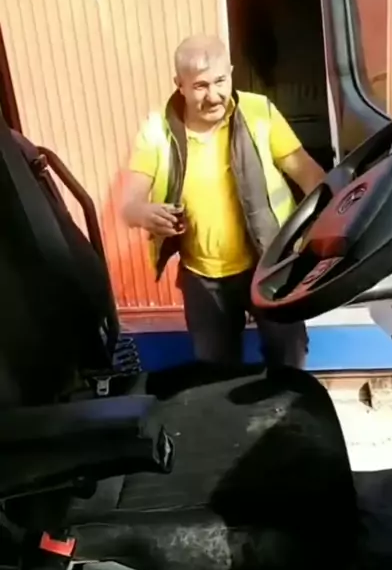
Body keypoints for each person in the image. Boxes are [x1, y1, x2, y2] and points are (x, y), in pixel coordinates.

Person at [121, 35, 325, 369]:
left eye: (220, 81)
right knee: (215, 370)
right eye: (200, 86)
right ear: (179, 85)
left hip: (270, 263)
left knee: (290, 359)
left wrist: (318, 237)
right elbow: (128, 206)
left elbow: (309, 175)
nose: (214, 95)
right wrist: (144, 213)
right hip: (203, 278)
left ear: (231, 73)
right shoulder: (156, 131)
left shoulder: (260, 112)